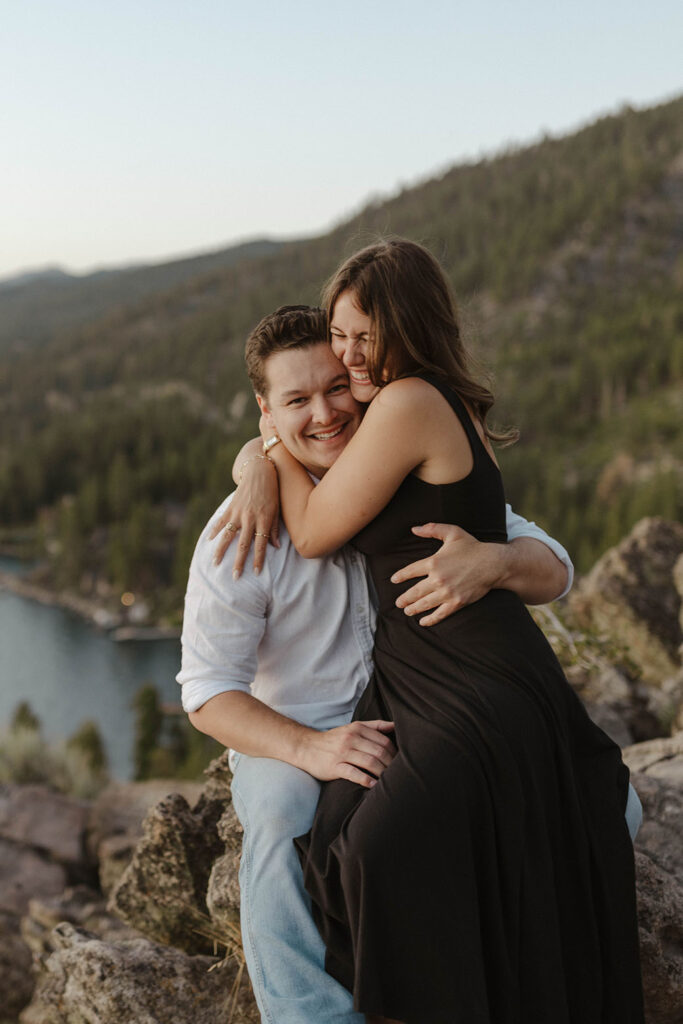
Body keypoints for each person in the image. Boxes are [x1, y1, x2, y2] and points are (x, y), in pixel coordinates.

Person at [219, 243, 644, 1024]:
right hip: (424, 675)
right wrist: (260, 450)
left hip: (472, 670)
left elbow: (312, 533)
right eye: (337, 336)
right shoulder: (413, 404)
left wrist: (266, 449)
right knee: (337, 834)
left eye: (360, 336)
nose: (345, 358)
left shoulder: (409, 401)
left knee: (382, 846)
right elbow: (208, 684)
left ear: (405, 326)